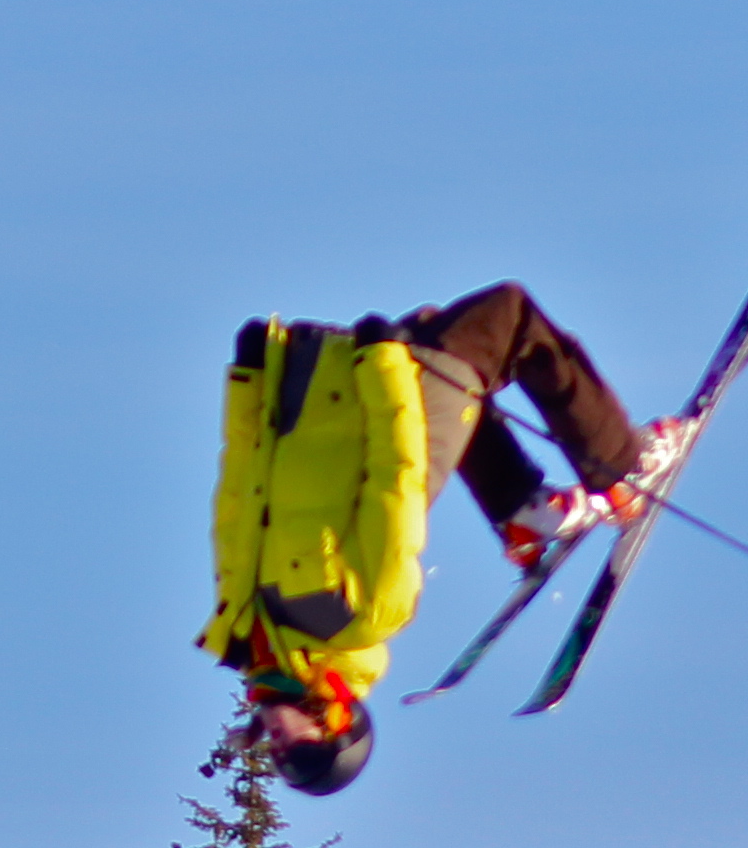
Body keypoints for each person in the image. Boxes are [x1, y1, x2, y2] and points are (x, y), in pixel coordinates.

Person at [201, 285, 661, 794]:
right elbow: (394, 483)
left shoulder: (246, 629)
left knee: (434, 328)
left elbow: (239, 494)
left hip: (323, 398)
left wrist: (247, 387)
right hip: (386, 422)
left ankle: (520, 507)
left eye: (280, 759)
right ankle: (623, 468)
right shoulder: (360, 617)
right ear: (339, 723)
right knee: (506, 317)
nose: (282, 749)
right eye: (305, 754)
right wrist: (383, 367)